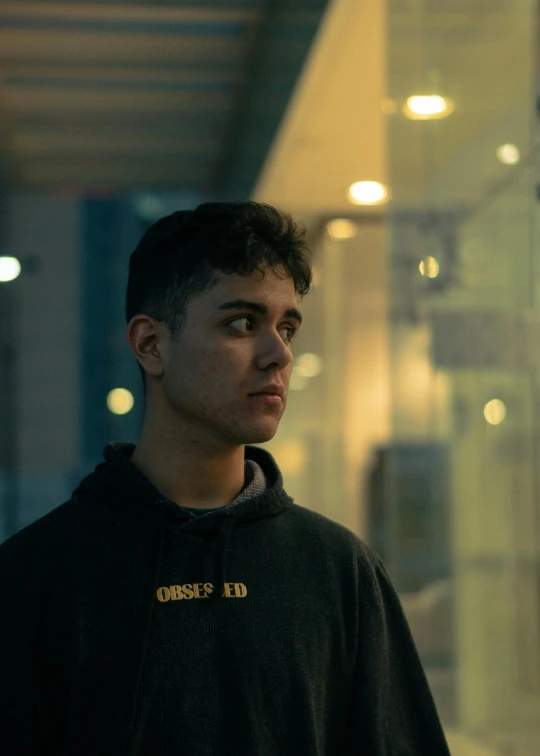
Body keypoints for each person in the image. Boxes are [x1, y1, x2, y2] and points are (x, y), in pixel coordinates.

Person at [0, 201, 451, 755]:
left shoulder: (337, 570)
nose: (278, 354)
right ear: (150, 345)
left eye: (287, 326)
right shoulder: (38, 575)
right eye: (241, 323)